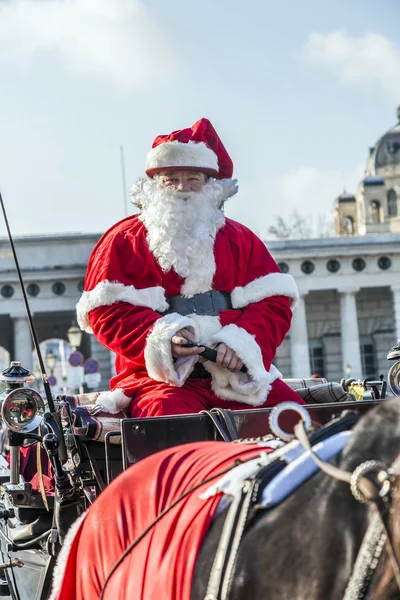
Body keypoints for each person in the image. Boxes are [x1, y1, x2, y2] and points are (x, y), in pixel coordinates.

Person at [76, 118, 301, 417]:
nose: (182, 188)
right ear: (156, 185)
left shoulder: (240, 239)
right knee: (167, 421)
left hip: (235, 379)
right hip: (158, 382)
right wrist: (165, 338)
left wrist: (241, 342)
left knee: (294, 416)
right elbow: (106, 312)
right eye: (171, 179)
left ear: (210, 185)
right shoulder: (123, 241)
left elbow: (273, 303)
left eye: (193, 179)